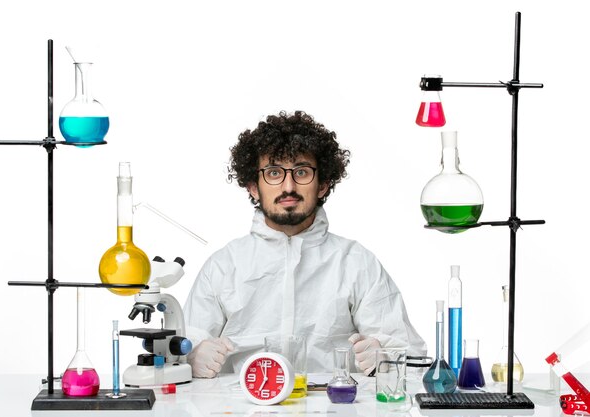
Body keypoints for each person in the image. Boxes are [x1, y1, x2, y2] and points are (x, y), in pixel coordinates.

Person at [183, 111, 426, 378]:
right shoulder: (223, 266)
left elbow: (412, 359)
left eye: (301, 172)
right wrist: (191, 358)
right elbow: (180, 348)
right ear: (253, 186)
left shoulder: (355, 262)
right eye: (274, 172)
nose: (288, 186)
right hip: (244, 408)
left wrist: (385, 357)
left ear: (322, 185)